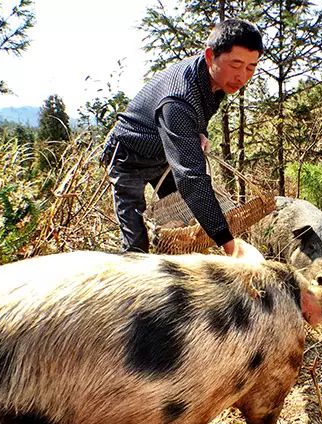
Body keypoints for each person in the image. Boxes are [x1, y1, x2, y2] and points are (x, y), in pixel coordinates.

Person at [102, 19, 263, 255]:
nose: (242, 76)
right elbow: (191, 177)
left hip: (163, 155)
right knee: (136, 246)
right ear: (210, 56)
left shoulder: (216, 80)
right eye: (236, 64)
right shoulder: (178, 99)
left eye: (251, 67)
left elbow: (199, 113)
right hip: (129, 155)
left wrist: (200, 132)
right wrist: (229, 243)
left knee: (188, 230)